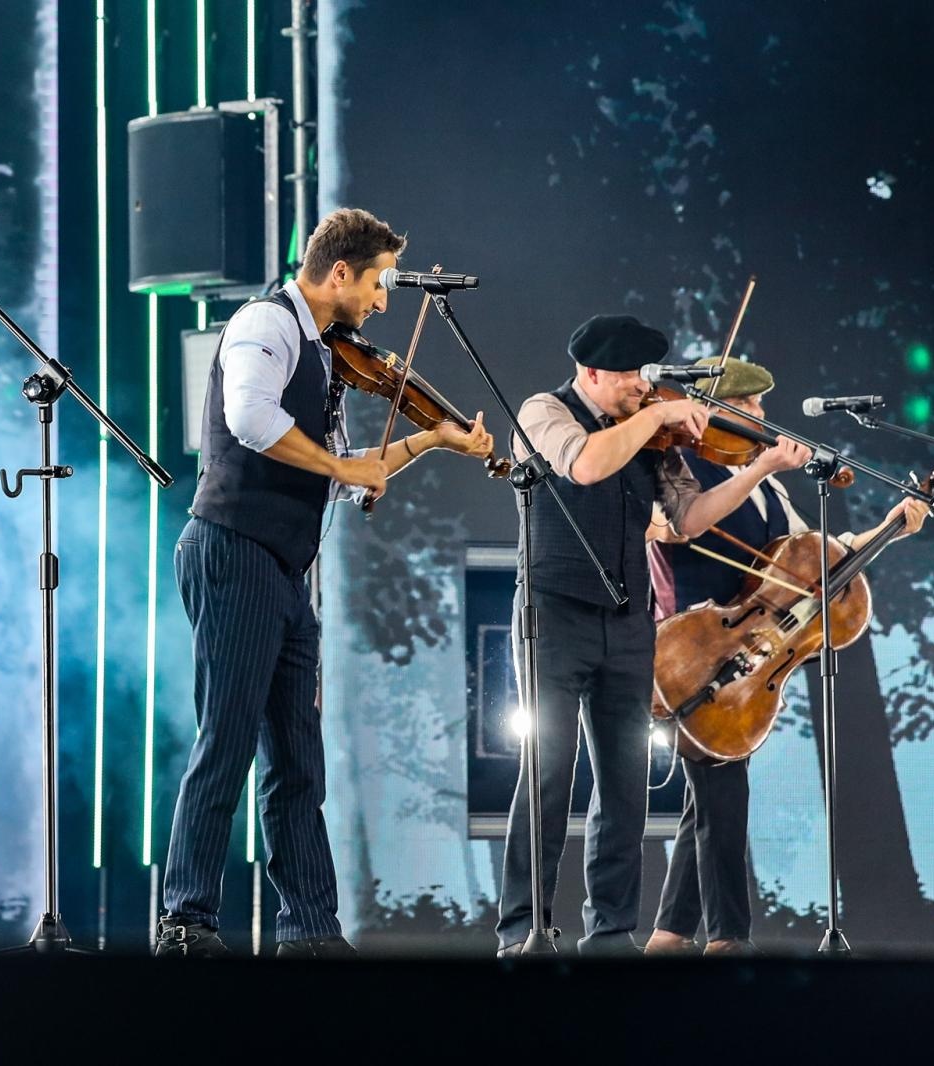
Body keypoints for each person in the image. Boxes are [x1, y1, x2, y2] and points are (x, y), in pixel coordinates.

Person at [156, 208, 496, 958]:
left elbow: (347, 469)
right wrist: (344, 467)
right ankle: (185, 920)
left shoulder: (323, 352)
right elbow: (248, 418)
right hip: (231, 549)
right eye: (377, 284)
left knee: (297, 763)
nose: (382, 303)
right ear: (339, 273)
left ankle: (310, 934)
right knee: (227, 743)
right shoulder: (264, 325)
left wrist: (433, 440)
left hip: (282, 570)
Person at [495, 316, 811, 956]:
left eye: (647, 379)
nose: (642, 389)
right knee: (548, 775)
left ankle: (610, 932)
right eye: (632, 379)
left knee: (624, 785)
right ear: (590, 373)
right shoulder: (543, 412)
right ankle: (523, 931)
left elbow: (687, 519)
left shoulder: (651, 436)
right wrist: (653, 419)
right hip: (554, 617)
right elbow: (583, 465)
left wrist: (759, 468)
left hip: (629, 623)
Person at [642, 356, 930, 955]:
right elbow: (678, 527)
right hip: (693, 654)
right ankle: (727, 938)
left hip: (749, 653)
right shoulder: (678, 466)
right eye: (748, 408)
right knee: (723, 792)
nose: (760, 418)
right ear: (715, 412)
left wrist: (886, 531)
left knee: (713, 790)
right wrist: (762, 464)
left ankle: (670, 936)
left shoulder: (766, 484)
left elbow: (811, 560)